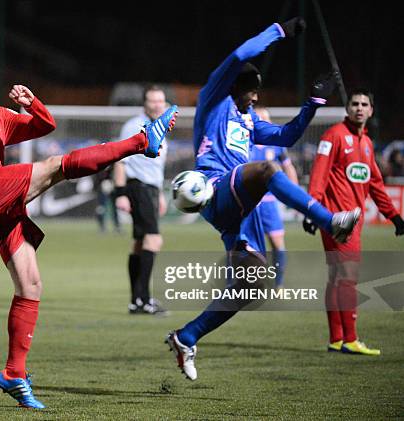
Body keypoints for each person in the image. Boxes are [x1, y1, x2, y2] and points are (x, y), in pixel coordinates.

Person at [0, 47, 178, 409]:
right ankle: (142, 141)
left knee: (30, 285)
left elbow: (45, 126)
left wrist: (33, 103)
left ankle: (14, 372)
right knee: (55, 166)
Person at [164, 18, 361, 381]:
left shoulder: (249, 119)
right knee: (268, 171)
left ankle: (187, 336)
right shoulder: (214, 100)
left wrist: (313, 102)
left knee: (250, 287)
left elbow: (286, 137)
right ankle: (328, 220)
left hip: (238, 209)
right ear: (234, 86)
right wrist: (279, 31)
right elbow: (242, 53)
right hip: (216, 188)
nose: (255, 97)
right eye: (251, 91)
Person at [303, 89, 404, 355]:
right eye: (354, 104)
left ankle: (337, 339)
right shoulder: (334, 135)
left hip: (352, 221)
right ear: (347, 108)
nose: (359, 108)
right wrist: (313, 211)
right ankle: (350, 339)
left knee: (337, 277)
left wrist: (393, 216)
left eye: (364, 104)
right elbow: (319, 176)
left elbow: (375, 184)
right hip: (337, 219)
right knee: (348, 277)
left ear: (371, 111)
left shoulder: (367, 144)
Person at [114, 85, 169, 315]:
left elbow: (155, 165)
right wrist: (121, 193)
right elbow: (119, 159)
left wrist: (161, 193)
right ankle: (145, 300)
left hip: (151, 189)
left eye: (160, 101)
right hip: (139, 188)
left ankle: (136, 301)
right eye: (152, 101)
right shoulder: (134, 126)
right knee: (153, 240)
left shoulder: (162, 126)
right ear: (144, 104)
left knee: (139, 244)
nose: (157, 105)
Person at [249, 106, 299, 288]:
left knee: (278, 243)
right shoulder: (245, 142)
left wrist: (295, 195)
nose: (263, 123)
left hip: (269, 203)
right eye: (259, 119)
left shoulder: (277, 144)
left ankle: (278, 284)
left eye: (266, 119)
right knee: (248, 247)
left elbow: (289, 167)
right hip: (249, 202)